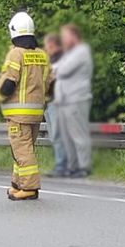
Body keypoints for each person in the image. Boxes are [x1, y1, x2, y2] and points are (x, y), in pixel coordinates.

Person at [0, 12, 53, 200]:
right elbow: (51, 84)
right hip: (36, 113)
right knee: (22, 150)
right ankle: (17, 183)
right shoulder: (42, 56)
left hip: (18, 115)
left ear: (13, 31)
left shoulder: (16, 54)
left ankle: (29, 188)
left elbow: (8, 84)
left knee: (22, 151)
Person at [52, 24, 93, 177]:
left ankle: (84, 166)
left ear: (73, 36)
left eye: (65, 36)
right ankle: (72, 166)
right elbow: (56, 67)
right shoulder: (69, 53)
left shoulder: (81, 51)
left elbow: (62, 70)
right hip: (64, 100)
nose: (63, 39)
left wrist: (54, 69)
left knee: (78, 134)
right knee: (66, 135)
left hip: (76, 98)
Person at [43, 32, 68, 176]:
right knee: (54, 135)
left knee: (58, 134)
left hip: (58, 101)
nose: (46, 49)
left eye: (47, 46)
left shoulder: (60, 60)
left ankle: (62, 166)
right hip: (50, 101)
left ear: (52, 45)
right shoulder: (52, 60)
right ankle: (61, 164)